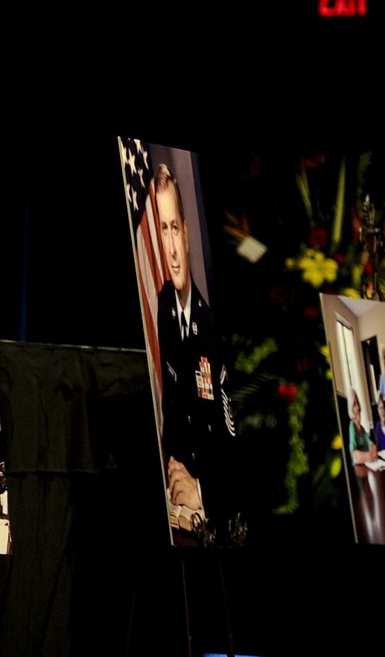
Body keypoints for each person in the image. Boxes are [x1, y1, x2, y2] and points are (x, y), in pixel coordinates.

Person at [151, 162, 233, 532]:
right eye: (161, 231)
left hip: (211, 506)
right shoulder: (165, 307)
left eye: (173, 229)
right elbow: (173, 406)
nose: (169, 250)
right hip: (177, 496)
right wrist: (169, 465)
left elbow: (236, 448)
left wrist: (202, 490)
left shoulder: (215, 333)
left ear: (186, 234)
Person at [345, 392, 378, 467]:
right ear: (351, 409)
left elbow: (372, 445)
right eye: (354, 405)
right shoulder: (352, 427)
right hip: (359, 469)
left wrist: (372, 451)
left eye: (358, 403)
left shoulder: (362, 428)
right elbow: (354, 455)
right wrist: (368, 456)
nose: (358, 408)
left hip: (368, 465)